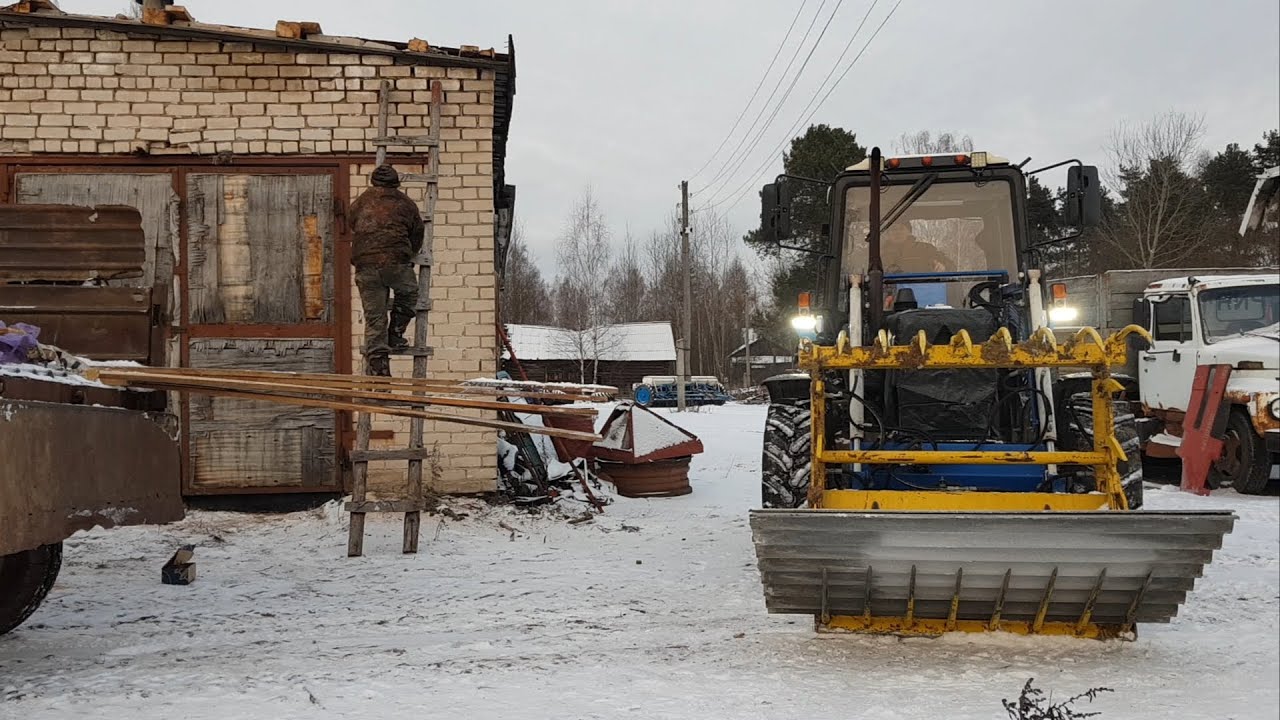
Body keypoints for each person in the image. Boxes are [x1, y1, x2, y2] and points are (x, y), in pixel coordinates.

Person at [348, 165, 425, 376]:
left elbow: (350, 223)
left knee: (374, 318)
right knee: (409, 295)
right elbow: (418, 232)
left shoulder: (361, 202)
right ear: (395, 182)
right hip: (395, 263)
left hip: (365, 266)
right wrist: (409, 254)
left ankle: (380, 373)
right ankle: (396, 333)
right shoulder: (405, 203)